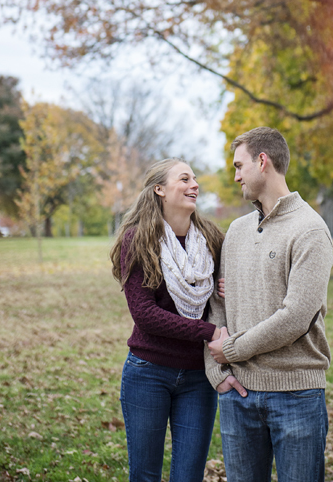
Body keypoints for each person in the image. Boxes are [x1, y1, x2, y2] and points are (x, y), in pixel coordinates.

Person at [205, 127, 333, 482]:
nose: (235, 176)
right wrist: (218, 374)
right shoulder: (237, 231)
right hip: (239, 396)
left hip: (296, 395)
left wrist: (231, 350)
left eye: (239, 166)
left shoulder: (310, 230)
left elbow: (295, 317)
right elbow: (217, 304)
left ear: (263, 162)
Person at [110, 158, 224, 482]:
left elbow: (231, 285)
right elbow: (145, 315)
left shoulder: (212, 239)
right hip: (149, 373)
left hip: (198, 378)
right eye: (184, 178)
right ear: (159, 189)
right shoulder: (138, 240)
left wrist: (231, 285)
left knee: (188, 477)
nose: (195, 185)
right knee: (145, 476)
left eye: (195, 179)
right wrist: (209, 331)